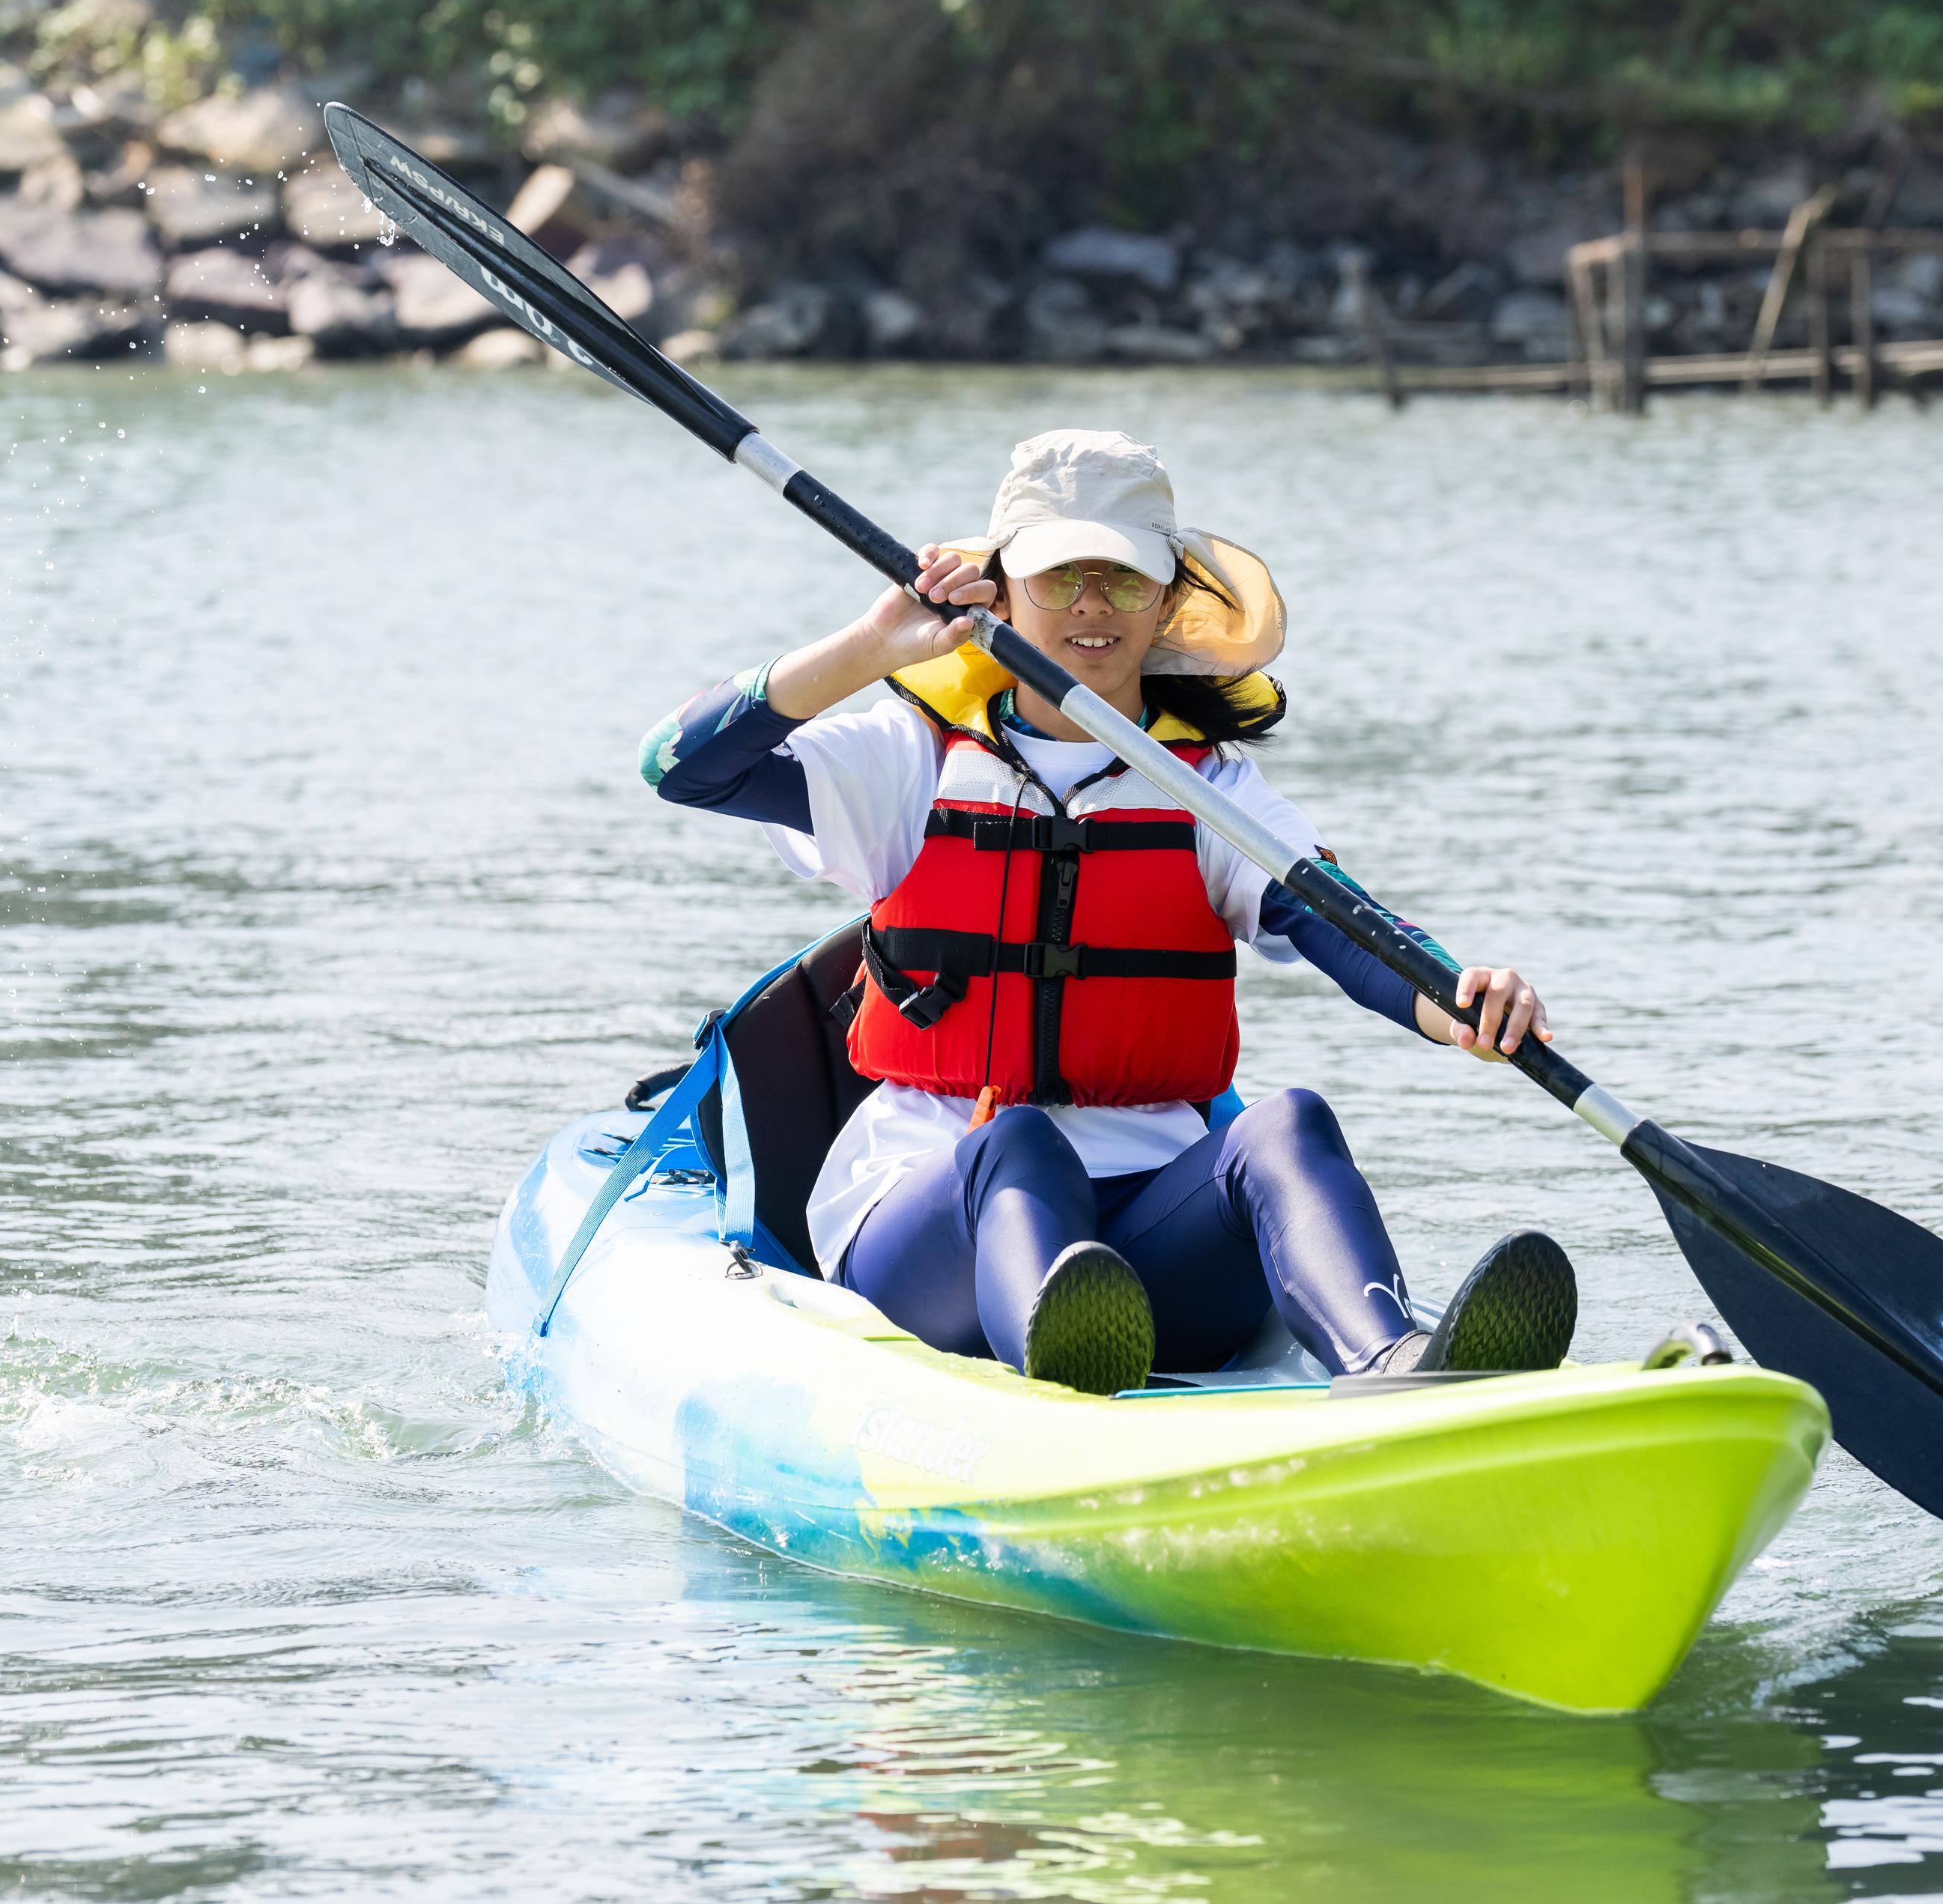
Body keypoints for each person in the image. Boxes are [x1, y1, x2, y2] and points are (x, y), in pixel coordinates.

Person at [640, 429, 1578, 1395]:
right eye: (1059, 579)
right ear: (999, 593)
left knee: (1286, 1124)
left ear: (1168, 601)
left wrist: (1456, 999)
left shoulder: (1208, 789)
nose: (1093, 608)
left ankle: (1398, 1370)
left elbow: (1337, 923)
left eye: (1125, 581)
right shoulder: (909, 760)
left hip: (1145, 1236)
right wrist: (872, 647)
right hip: (932, 1224)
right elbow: (684, 767)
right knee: (1018, 1144)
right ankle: (1066, 1383)